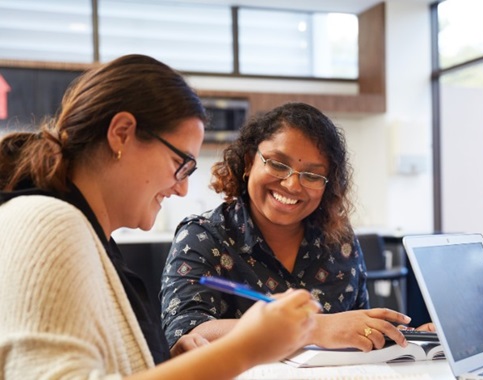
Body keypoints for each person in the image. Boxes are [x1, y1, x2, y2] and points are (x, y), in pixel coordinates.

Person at [0, 54, 321, 379]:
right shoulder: (48, 221)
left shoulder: (90, 236)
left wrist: (163, 362)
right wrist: (245, 349)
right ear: (122, 133)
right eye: (180, 164)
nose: (182, 189)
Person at [160, 102, 427, 354]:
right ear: (248, 161)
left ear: (328, 185)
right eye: (277, 164)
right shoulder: (203, 236)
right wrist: (314, 328)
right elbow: (186, 336)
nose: (292, 185)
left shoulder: (339, 242)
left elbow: (359, 333)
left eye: (311, 175)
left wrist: (410, 340)